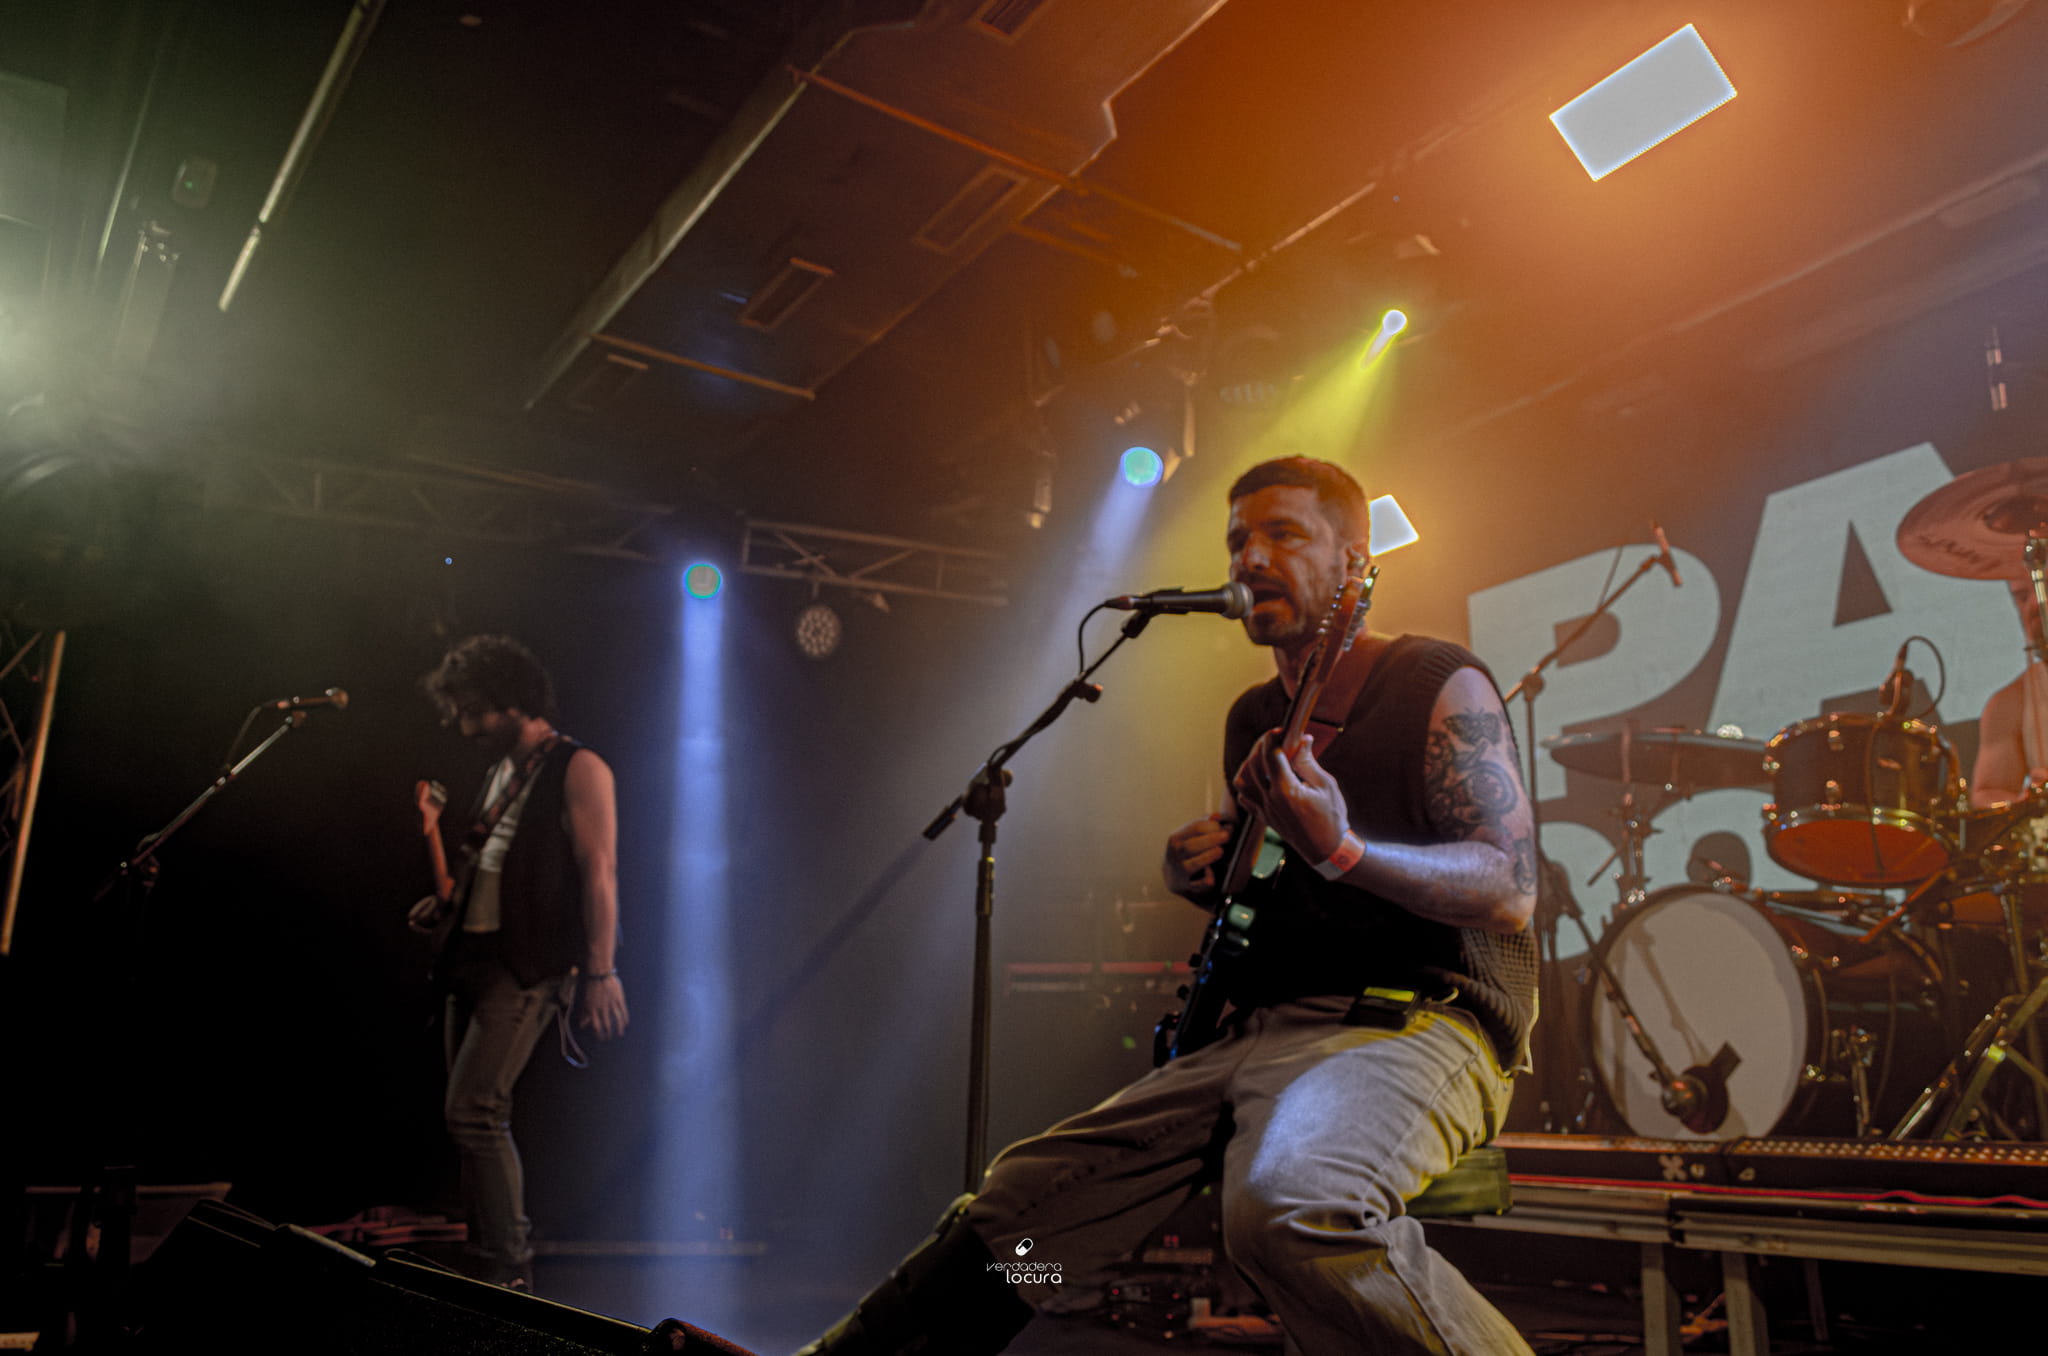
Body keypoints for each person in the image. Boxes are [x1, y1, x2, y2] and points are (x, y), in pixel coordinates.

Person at [798, 457, 1539, 1355]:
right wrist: (1200, 874)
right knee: (1016, 1222)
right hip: (1252, 1034)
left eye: (1283, 534)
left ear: (1354, 560)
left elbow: (1510, 889)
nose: (1250, 558)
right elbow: (1262, 886)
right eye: (1238, 540)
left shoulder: (1434, 679)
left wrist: (1343, 849)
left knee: (1289, 1209)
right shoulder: (1254, 716)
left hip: (1411, 1025)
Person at [412, 634, 629, 1289]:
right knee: (469, 1121)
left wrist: (601, 971)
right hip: (473, 957)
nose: (464, 725)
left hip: (526, 965)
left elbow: (599, 871)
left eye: (473, 710)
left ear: (512, 701)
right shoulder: (501, 771)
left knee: (474, 1112)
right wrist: (445, 907)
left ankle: (508, 1268)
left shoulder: (579, 766)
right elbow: (494, 865)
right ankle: (486, 1261)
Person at [1971, 579, 2048, 807]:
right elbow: (1988, 793)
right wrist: (2024, 806)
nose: (2033, 604)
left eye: (2045, 588)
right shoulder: (2011, 701)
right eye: (2022, 597)